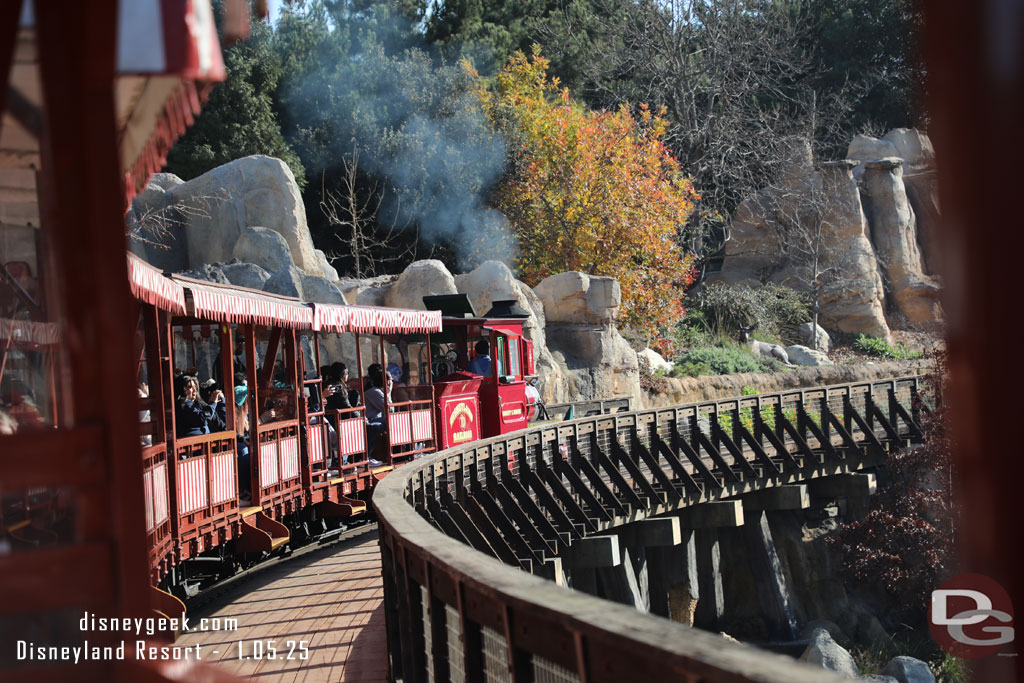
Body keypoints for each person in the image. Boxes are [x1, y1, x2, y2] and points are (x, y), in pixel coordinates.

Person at [364, 364, 391, 467]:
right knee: (388, 421)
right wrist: (389, 394)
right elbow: (389, 409)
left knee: (391, 420)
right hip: (369, 419)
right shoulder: (375, 392)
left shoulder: (379, 391)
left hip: (374, 418)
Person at [234, 385, 252, 500]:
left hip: (243, 440)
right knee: (244, 451)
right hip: (234, 444)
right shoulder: (233, 412)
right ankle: (243, 489)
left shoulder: (245, 414)